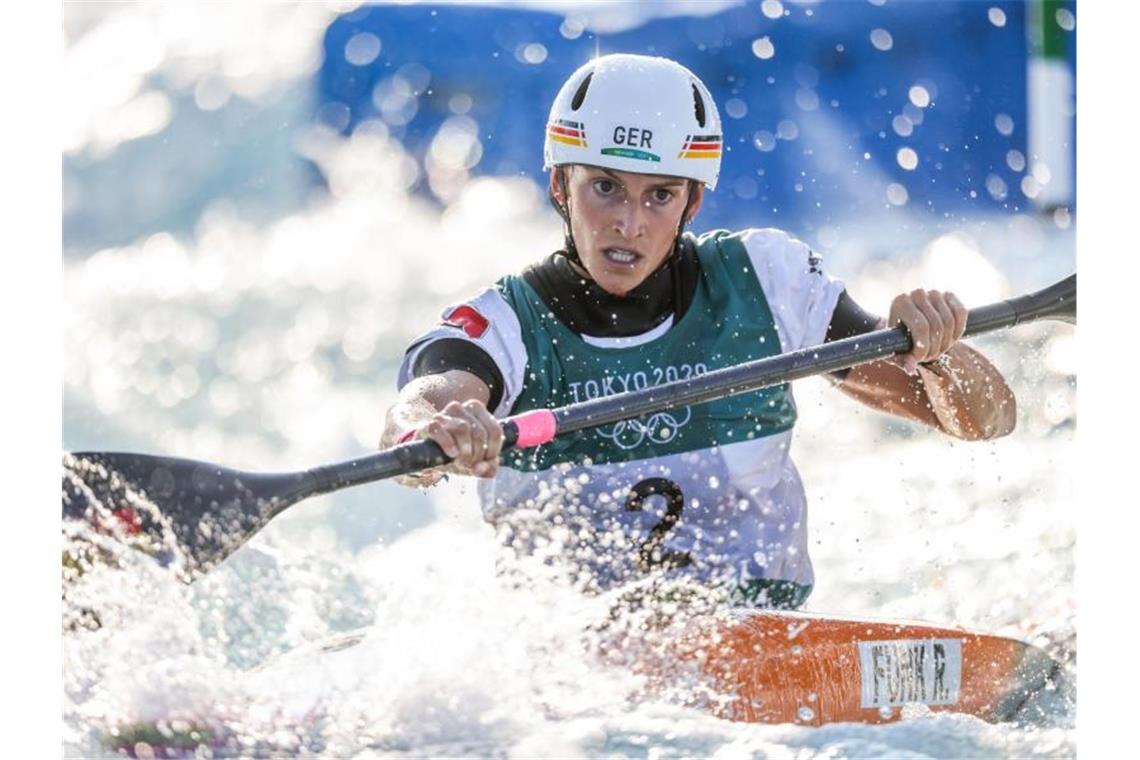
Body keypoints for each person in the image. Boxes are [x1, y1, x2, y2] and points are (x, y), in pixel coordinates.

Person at [380, 54, 1015, 610]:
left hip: (761, 637)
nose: (629, 222)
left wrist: (938, 350)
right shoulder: (504, 324)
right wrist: (438, 428)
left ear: (693, 204)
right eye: (604, 187)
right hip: (575, 665)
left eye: (659, 195)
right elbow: (418, 409)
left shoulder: (766, 280)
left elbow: (988, 419)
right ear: (559, 186)